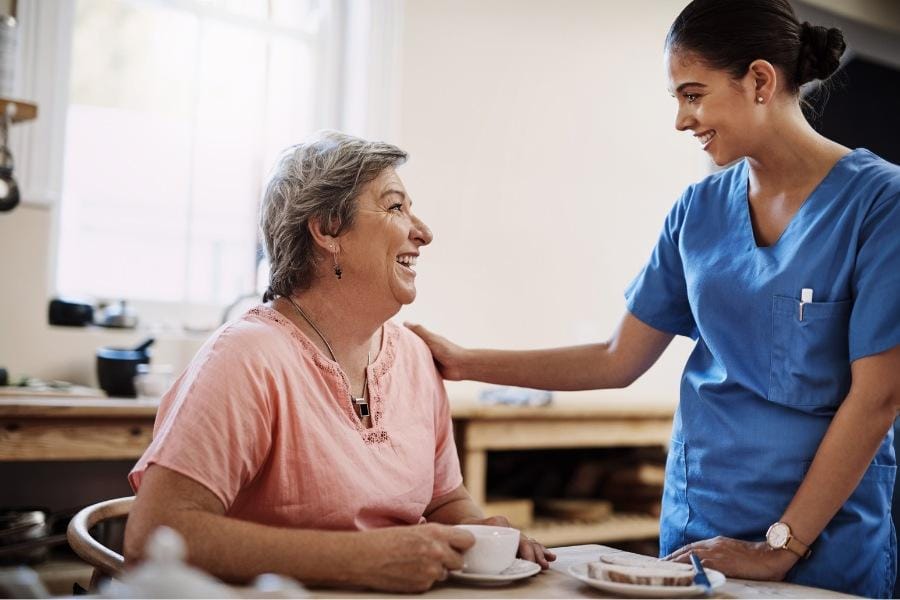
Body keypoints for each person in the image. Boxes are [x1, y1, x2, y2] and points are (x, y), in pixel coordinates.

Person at [406, 0, 900, 596]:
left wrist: (782, 546)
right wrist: (463, 361)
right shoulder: (697, 212)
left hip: (826, 537)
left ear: (760, 81)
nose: (682, 120)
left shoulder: (881, 204)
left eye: (693, 95)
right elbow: (617, 358)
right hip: (702, 520)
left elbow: (879, 397)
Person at [124, 131, 554, 593]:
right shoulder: (246, 357)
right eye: (395, 207)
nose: (423, 232)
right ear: (328, 228)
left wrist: (484, 532)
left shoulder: (413, 358)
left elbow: (445, 499)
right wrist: (357, 559)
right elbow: (155, 536)